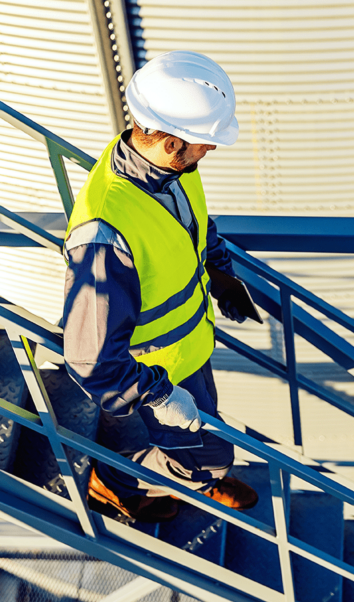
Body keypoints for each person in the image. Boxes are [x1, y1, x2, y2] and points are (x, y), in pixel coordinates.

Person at [62, 51, 258, 523]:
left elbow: (193, 225)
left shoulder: (166, 170)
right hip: (160, 372)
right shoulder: (106, 233)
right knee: (207, 456)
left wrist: (220, 272)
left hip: (190, 347)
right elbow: (89, 360)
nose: (209, 152)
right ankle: (117, 483)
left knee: (203, 438)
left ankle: (194, 469)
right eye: (205, 144)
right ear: (171, 142)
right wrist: (160, 397)